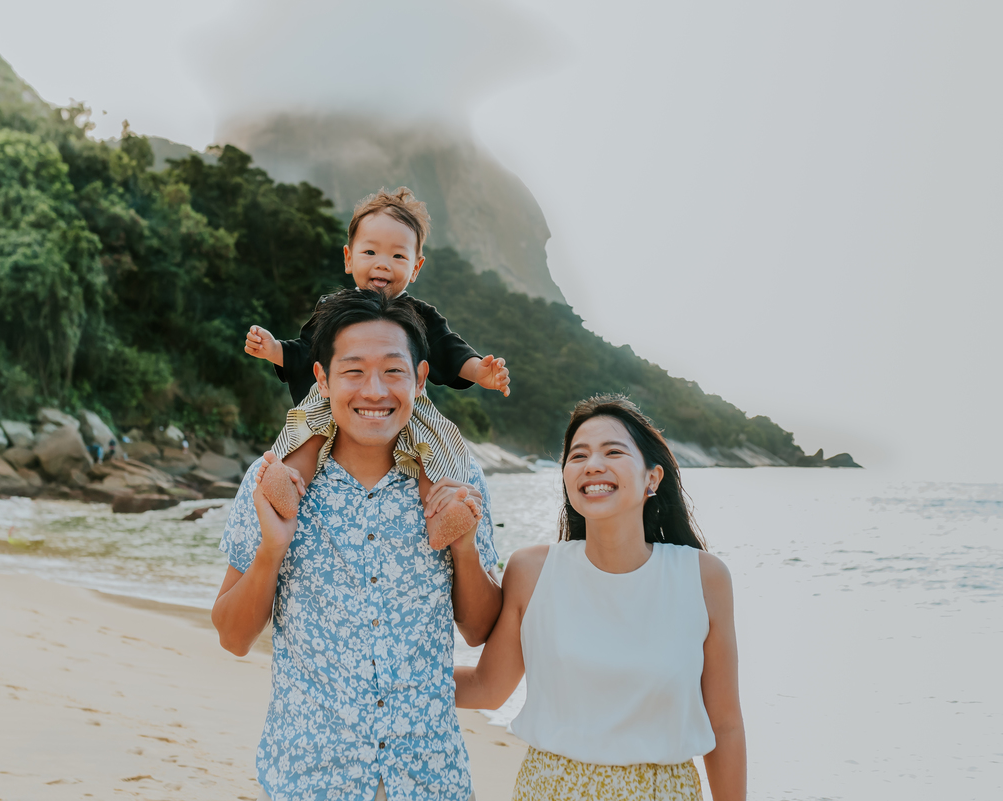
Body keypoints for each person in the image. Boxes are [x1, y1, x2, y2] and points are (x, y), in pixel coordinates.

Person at [214, 288, 503, 801]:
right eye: (353, 371)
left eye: (393, 371)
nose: (374, 390)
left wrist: (464, 547)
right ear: (322, 379)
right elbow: (234, 638)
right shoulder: (275, 482)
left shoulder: (455, 482)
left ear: (420, 378)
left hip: (430, 781)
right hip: (309, 780)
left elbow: (479, 630)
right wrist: (271, 552)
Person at [454, 395, 746, 801]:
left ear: (652, 478)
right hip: (551, 791)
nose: (592, 464)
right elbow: (487, 687)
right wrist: (375, 679)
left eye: (613, 452)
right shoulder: (532, 571)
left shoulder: (704, 577)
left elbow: (725, 725)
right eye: (578, 455)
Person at [243, 187, 510, 546]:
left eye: (398, 255)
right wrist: (274, 349)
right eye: (370, 252)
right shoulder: (334, 310)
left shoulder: (420, 316)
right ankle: (289, 483)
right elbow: (307, 352)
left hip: (403, 407)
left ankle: (441, 512)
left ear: (416, 267)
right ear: (348, 258)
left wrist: (479, 371)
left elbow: (449, 349)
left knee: (431, 448)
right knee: (310, 433)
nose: (382, 264)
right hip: (335, 399)